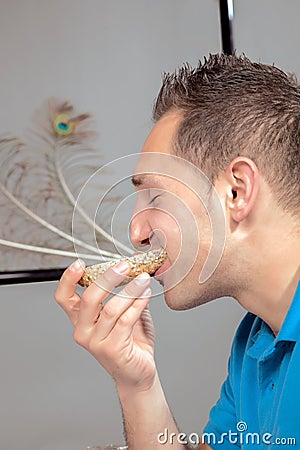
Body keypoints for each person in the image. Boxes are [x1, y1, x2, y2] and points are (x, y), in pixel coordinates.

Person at [55, 54, 300, 449]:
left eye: (154, 195)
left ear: (236, 191)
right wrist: (137, 383)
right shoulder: (254, 343)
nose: (136, 232)